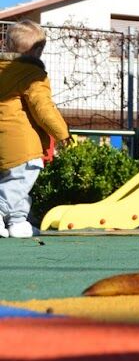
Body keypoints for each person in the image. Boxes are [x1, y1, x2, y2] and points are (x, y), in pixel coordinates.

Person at [0, 20, 72, 238]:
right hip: (22, 145)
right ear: (37, 51)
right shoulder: (32, 75)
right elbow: (43, 108)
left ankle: (18, 222)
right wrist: (62, 133)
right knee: (18, 182)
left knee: (16, 185)